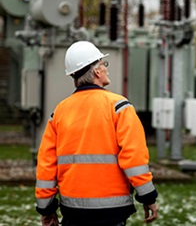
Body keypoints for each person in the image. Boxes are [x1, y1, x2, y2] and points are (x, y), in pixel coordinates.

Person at [35, 41, 159, 226]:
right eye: (103, 64)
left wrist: (46, 209)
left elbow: (47, 165)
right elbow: (134, 159)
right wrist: (148, 196)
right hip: (113, 210)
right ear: (96, 72)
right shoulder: (119, 107)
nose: (105, 69)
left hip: (73, 210)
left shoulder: (59, 112)